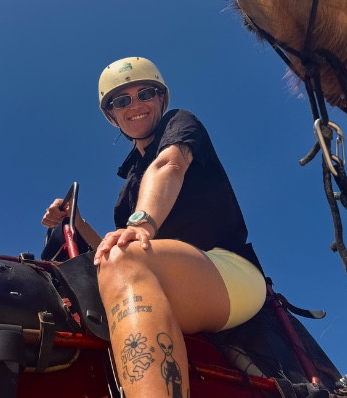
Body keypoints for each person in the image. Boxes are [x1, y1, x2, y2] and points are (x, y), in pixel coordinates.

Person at [42, 56, 265, 398]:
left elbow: (168, 165)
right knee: (117, 260)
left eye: (145, 93)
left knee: (127, 257)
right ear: (112, 115)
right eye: (121, 101)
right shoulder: (129, 186)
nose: (135, 105)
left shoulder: (180, 122)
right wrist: (78, 221)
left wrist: (143, 223)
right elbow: (114, 256)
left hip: (228, 269)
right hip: (155, 267)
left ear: (161, 98)